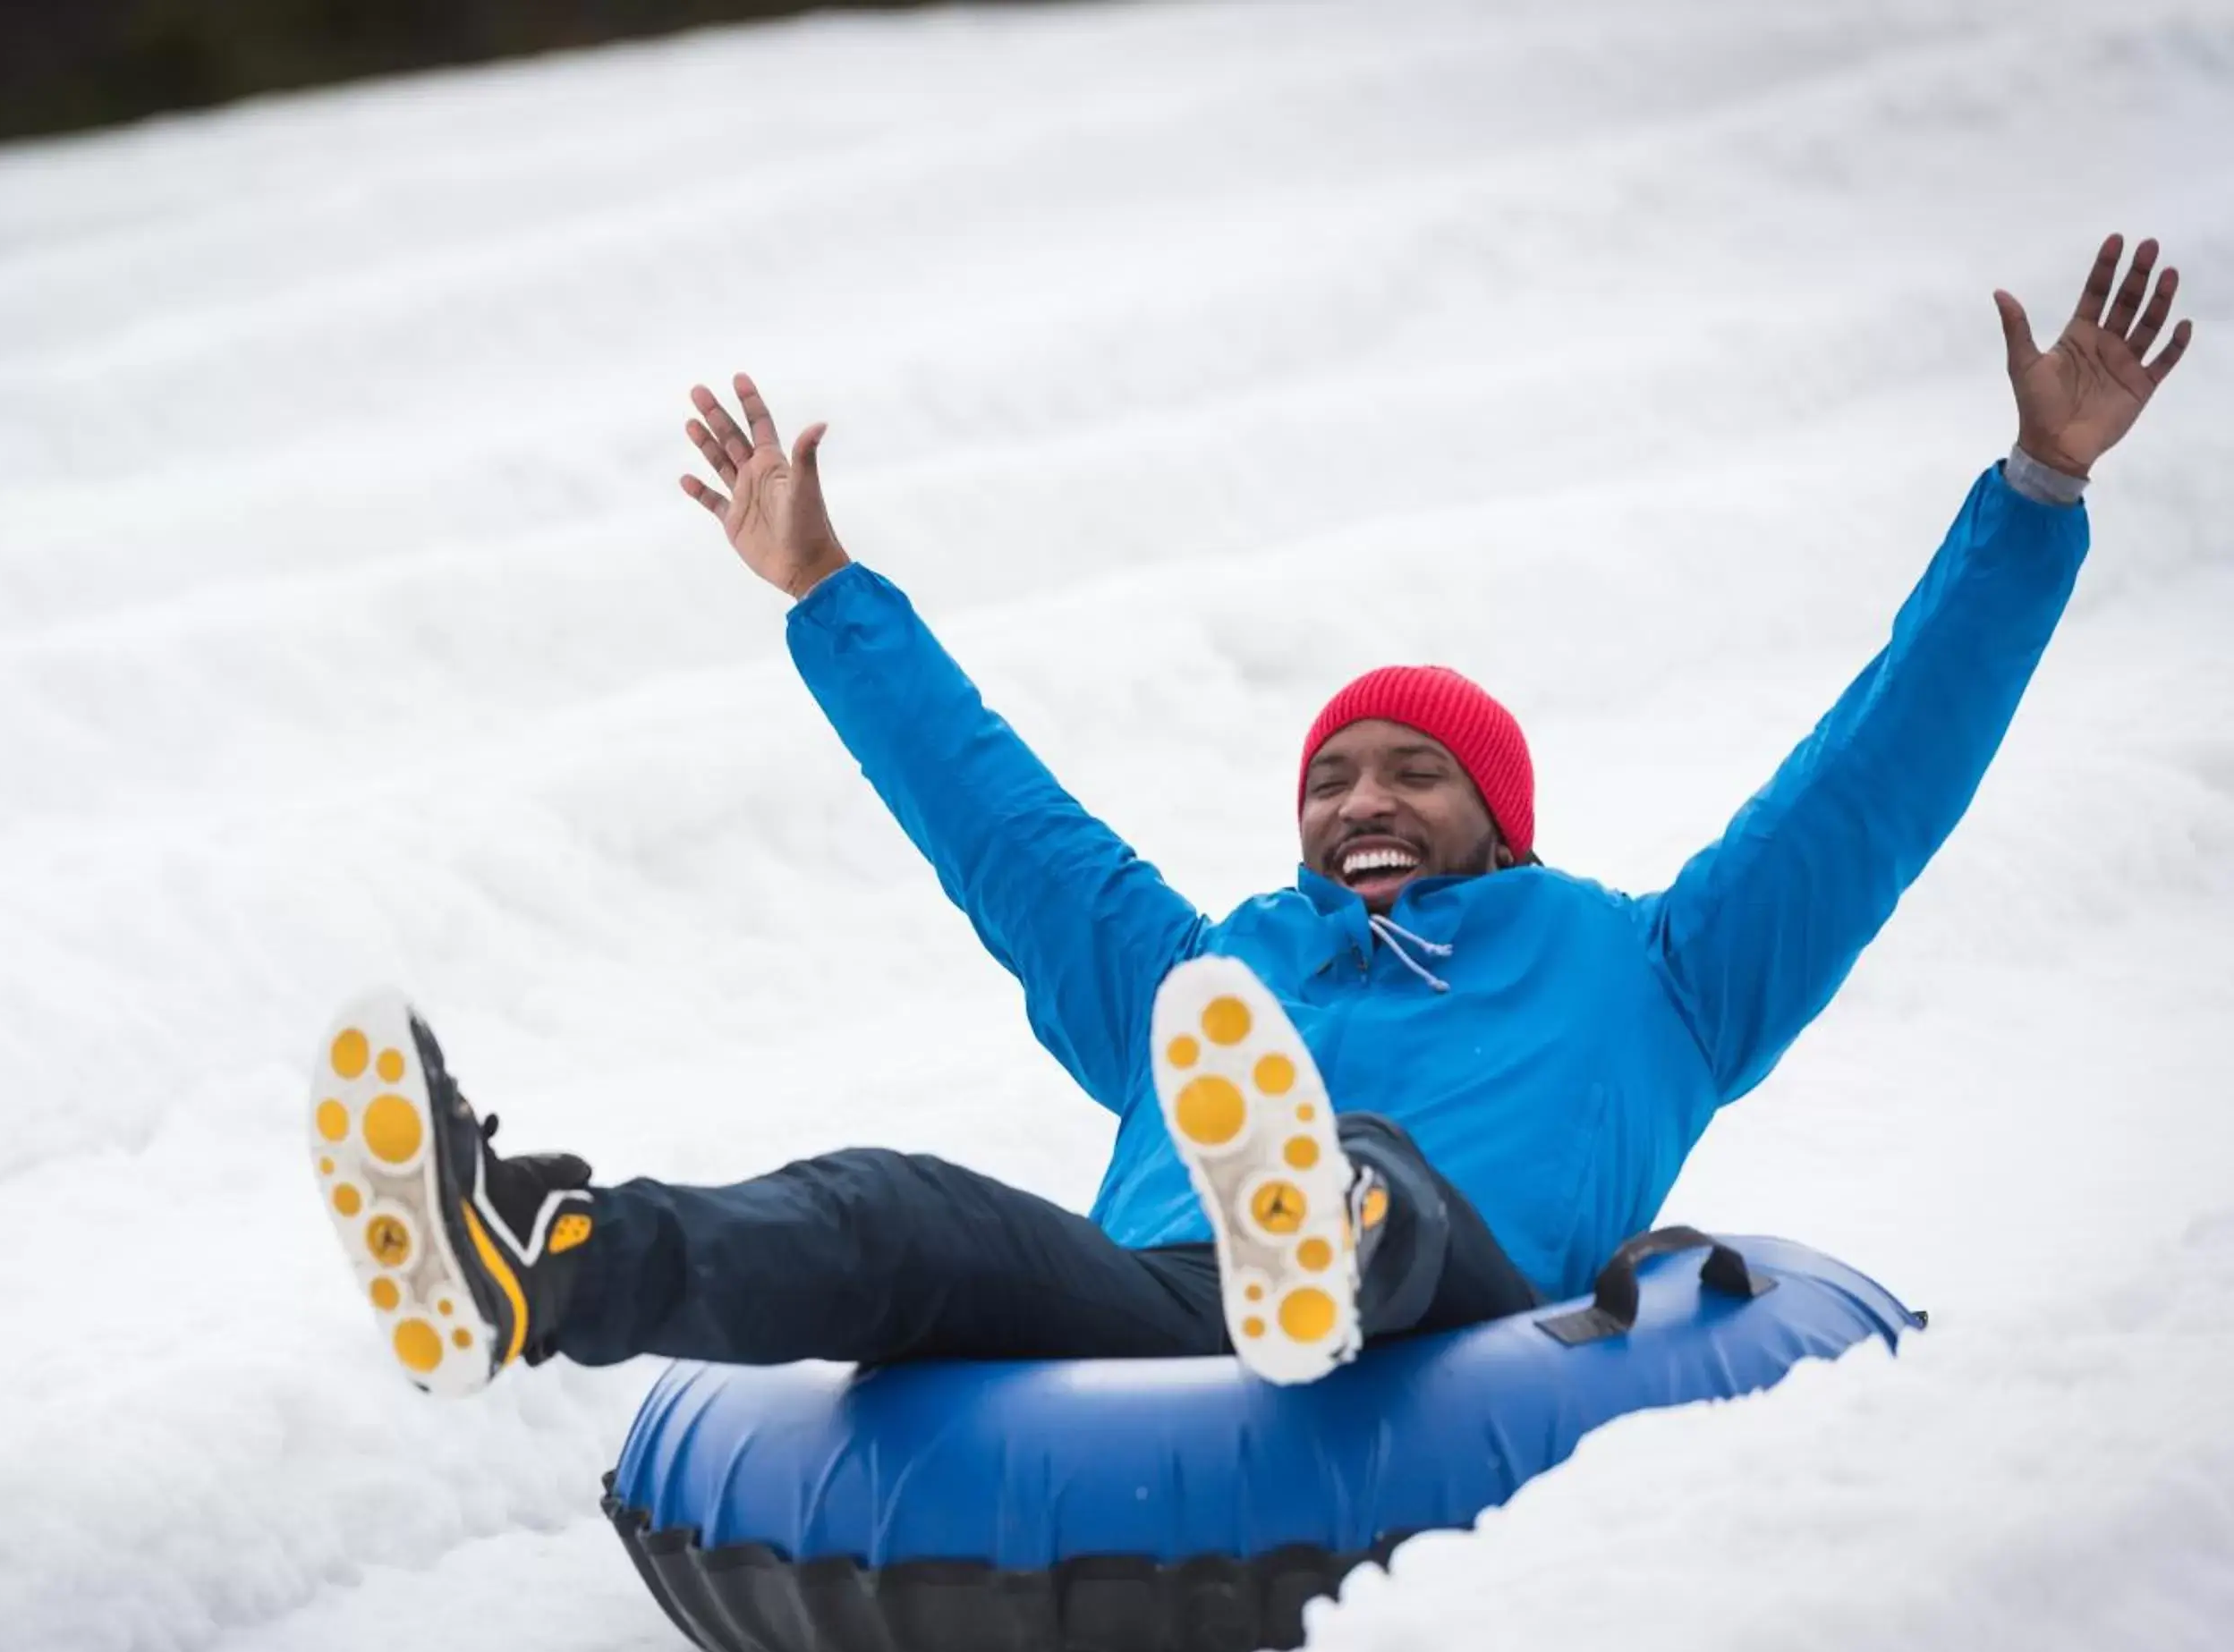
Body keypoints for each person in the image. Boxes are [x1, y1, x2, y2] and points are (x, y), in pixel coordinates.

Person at [301, 235, 2193, 1397]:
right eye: (1332, 781)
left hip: (1445, 1318)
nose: (1361, 800)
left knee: (1363, 1165)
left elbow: (1879, 776)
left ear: (1499, 814)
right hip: (1154, 1311)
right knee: (886, 1205)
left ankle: (1320, 1226)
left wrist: (2038, 487)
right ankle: (520, 1267)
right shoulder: (1208, 970)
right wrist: (822, 590)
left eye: (1410, 771)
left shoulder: (1659, 969)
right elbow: (997, 815)